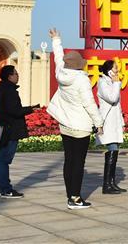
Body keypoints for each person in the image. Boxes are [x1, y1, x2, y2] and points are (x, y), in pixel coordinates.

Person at [47, 28, 104, 210]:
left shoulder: (61, 73)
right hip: (80, 127)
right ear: (80, 65)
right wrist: (99, 123)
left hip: (65, 124)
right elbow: (89, 104)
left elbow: (58, 58)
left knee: (69, 160)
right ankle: (75, 198)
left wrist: (56, 40)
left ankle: (70, 194)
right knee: (78, 163)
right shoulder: (81, 80)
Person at [0, 64, 39, 198]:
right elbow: (15, 110)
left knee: (1, 159)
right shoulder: (9, 91)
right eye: (15, 73)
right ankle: (5, 189)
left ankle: (2, 187)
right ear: (9, 76)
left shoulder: (3, 88)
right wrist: (31, 109)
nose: (17, 75)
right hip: (10, 130)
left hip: (5, 128)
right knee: (4, 159)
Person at [96, 59, 126, 194]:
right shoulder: (103, 83)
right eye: (115, 69)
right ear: (109, 71)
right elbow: (113, 98)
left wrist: (122, 123)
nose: (117, 72)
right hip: (107, 123)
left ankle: (111, 182)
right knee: (112, 149)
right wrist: (116, 83)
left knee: (115, 150)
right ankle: (106, 185)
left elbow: (117, 106)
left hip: (114, 122)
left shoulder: (111, 83)